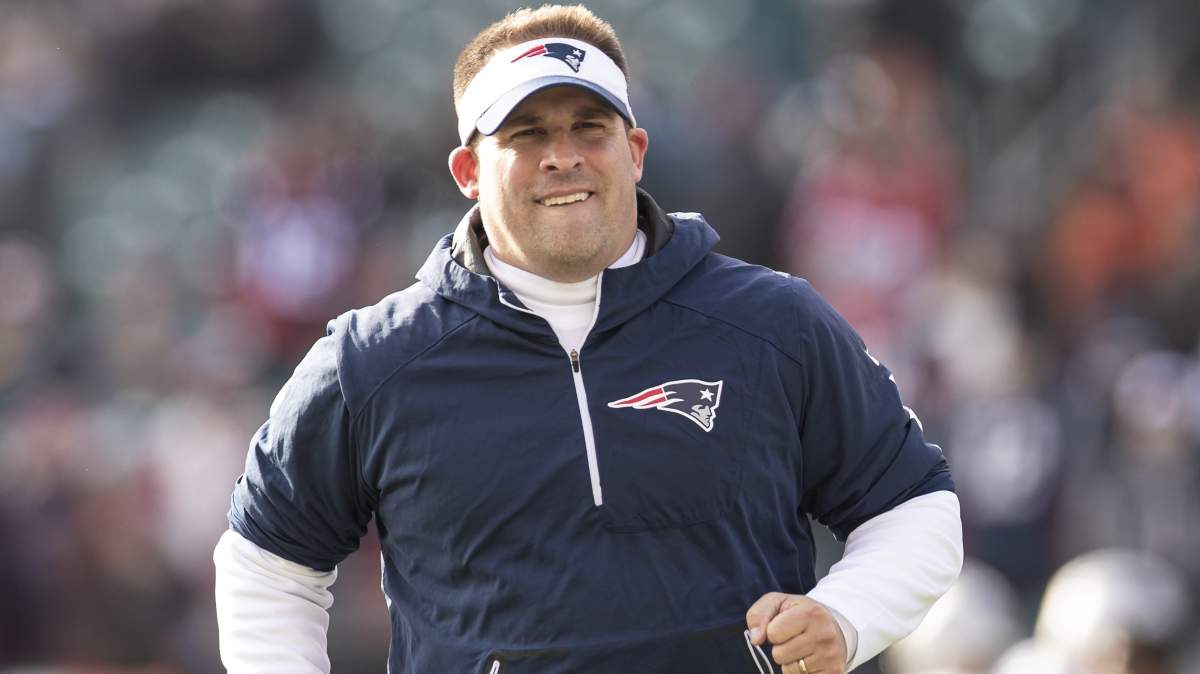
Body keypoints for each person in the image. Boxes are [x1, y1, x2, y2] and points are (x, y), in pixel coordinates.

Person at [213, 6, 964, 674]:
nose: (563, 155)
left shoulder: (773, 323)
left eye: (589, 128)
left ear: (634, 150)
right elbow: (266, 565)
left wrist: (845, 617)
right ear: (468, 170)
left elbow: (913, 505)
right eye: (527, 133)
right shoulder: (373, 360)